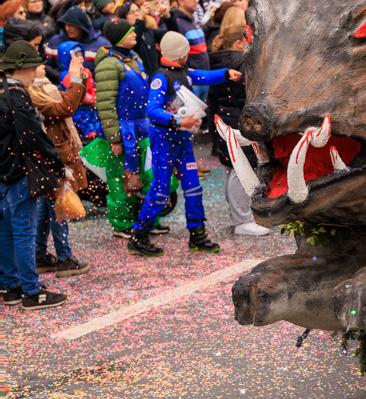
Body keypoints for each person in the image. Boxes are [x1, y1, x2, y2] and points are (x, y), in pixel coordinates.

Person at [127, 32, 241, 257]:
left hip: (183, 142)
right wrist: (179, 121)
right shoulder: (160, 78)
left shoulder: (185, 72)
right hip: (164, 142)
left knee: (194, 189)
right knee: (160, 192)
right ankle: (138, 235)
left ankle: (197, 234)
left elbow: (205, 76)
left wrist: (226, 74)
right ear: (181, 54)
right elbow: (151, 110)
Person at [0, 42, 68, 311]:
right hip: (19, 171)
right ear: (21, 68)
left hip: (2, 171)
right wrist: (57, 163)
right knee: (24, 231)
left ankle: (9, 285)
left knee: (5, 229)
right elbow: (33, 136)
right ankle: (31, 291)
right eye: (32, 68)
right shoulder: (16, 94)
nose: (35, 73)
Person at [94, 18, 167, 241]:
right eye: (130, 32)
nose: (136, 34)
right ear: (119, 37)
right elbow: (105, 104)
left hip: (141, 128)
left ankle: (144, 220)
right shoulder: (108, 64)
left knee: (145, 176)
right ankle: (122, 223)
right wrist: (115, 138)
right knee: (121, 179)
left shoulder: (133, 58)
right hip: (123, 132)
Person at [28, 52, 90, 279]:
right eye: (38, 65)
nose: (44, 67)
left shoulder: (45, 88)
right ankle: (64, 258)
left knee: (47, 208)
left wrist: (79, 79)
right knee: (60, 207)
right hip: (53, 157)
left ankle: (40, 255)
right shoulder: (32, 93)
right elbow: (65, 109)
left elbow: (72, 101)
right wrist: (74, 81)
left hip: (57, 154)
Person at [209, 26, 268, 237]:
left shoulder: (215, 59)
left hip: (224, 117)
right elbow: (247, 94)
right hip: (239, 119)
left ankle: (238, 216)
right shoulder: (240, 61)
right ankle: (242, 219)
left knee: (229, 168)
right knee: (241, 169)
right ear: (239, 43)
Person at [169, 0, 211, 101]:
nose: (196, 1)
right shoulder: (176, 23)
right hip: (190, 81)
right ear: (180, 1)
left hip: (203, 79)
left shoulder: (193, 22)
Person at [46, 6, 108, 75]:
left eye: (71, 25)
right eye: (65, 25)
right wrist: (61, 78)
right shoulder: (54, 42)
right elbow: (47, 67)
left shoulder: (101, 45)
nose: (67, 29)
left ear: (81, 25)